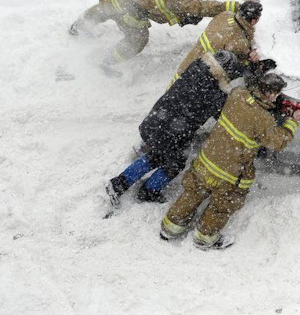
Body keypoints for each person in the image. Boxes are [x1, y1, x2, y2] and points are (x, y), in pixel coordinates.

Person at [105, 50, 276, 207]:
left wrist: (255, 68)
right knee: (174, 163)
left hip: (158, 119)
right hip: (172, 131)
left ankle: (120, 185)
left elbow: (229, 70)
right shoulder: (213, 95)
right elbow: (226, 114)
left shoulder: (199, 68)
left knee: (157, 155)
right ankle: (146, 191)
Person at [159, 72, 300, 250]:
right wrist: (292, 121)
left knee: (193, 193)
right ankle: (205, 238)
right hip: (229, 171)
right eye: (276, 94)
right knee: (222, 205)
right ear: (270, 94)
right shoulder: (263, 119)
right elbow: (279, 142)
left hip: (208, 158)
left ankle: (170, 228)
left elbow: (247, 113)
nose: (276, 98)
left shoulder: (238, 94)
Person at [70, 0, 253, 73]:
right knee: (138, 40)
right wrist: (243, 6)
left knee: (104, 9)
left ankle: (79, 26)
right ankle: (104, 61)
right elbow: (206, 7)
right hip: (127, 7)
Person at [171, 0, 263, 84]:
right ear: (254, 21)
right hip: (199, 78)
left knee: (169, 96)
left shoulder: (225, 15)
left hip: (186, 67)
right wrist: (251, 57)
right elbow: (239, 65)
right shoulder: (240, 42)